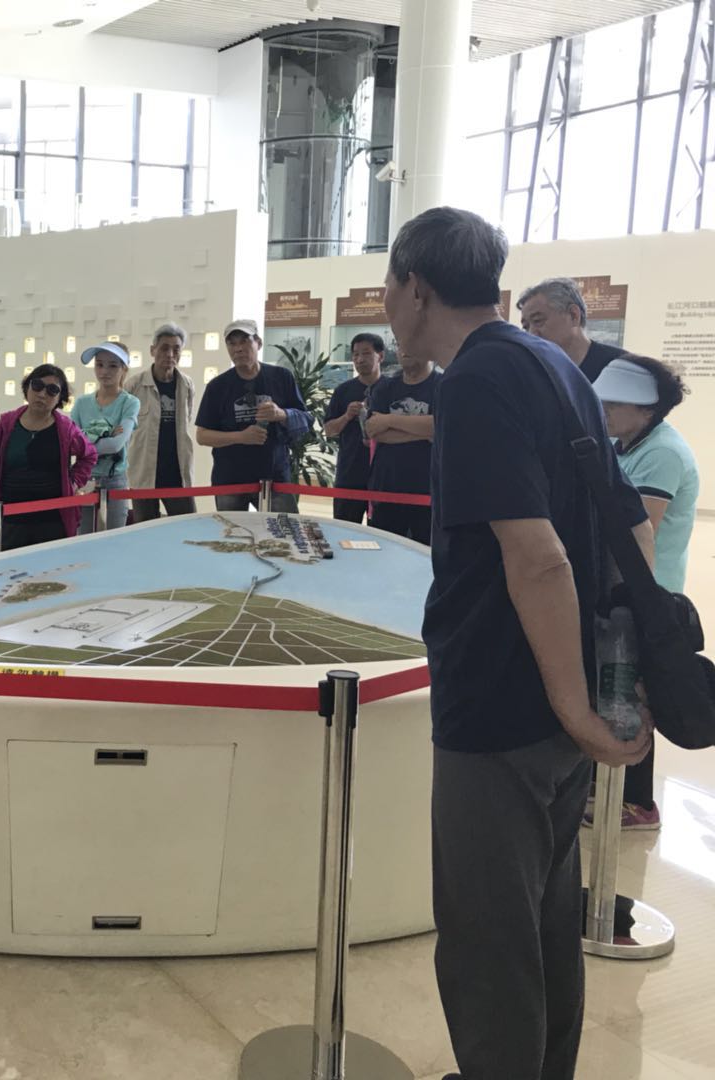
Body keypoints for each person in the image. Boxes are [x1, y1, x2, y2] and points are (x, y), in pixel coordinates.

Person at [386, 207, 652, 1080]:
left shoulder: (474, 381)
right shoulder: (555, 365)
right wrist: (610, 682)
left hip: (500, 701)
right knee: (546, 920)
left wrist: (575, 707)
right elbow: (628, 524)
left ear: (416, 287)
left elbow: (536, 556)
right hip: (556, 695)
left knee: (487, 938)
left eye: (389, 287)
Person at [590, 356, 700, 832]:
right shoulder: (624, 445)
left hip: (647, 593)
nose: (605, 411)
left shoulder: (663, 453)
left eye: (615, 404)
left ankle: (637, 803)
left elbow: (640, 530)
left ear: (648, 409)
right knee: (614, 686)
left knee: (633, 693)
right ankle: (605, 786)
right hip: (621, 589)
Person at [0, 364, 97, 551]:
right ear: (27, 388)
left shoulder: (66, 428)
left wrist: (73, 482)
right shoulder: (6, 424)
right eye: (37, 385)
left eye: (52, 390)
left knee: (54, 569)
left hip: (53, 521)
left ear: (60, 398)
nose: (42, 394)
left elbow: (89, 455)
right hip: (9, 520)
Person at [195, 319, 311, 513]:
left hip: (275, 477)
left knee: (283, 529)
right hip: (230, 479)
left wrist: (281, 414)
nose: (238, 349)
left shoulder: (282, 377)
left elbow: (306, 419)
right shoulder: (217, 386)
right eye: (232, 343)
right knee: (233, 531)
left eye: (244, 341)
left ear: (259, 343)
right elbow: (202, 436)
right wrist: (241, 437)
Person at [364, 345, 439, 545]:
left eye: (411, 343)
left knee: (425, 554)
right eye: (399, 345)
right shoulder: (384, 387)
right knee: (383, 551)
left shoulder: (443, 385)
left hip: (430, 489)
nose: (404, 349)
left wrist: (389, 420)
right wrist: (424, 432)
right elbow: (375, 431)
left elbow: (441, 426)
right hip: (387, 486)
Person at [126, 323, 196, 524]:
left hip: (177, 472)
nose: (170, 354)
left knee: (186, 527)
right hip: (144, 471)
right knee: (144, 529)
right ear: (153, 350)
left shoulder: (186, 384)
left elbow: (187, 421)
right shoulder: (135, 385)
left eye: (176, 349)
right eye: (164, 348)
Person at [71, 341, 140, 532]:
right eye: (99, 364)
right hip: (84, 479)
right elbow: (71, 445)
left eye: (113, 365)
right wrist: (107, 435)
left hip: (115, 480)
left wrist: (86, 438)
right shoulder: (82, 403)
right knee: (82, 540)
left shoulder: (130, 403)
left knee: (113, 540)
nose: (104, 371)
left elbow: (115, 445)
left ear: (124, 369)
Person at [323, 333, 384, 525]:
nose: (360, 359)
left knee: (382, 534)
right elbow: (329, 430)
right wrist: (347, 416)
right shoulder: (343, 391)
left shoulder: (392, 389)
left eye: (366, 353)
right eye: (356, 354)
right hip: (350, 473)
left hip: (383, 475)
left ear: (380, 356)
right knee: (345, 530)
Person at [517, 277, 625, 383]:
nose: (531, 334)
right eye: (526, 327)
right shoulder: (532, 375)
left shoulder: (621, 369)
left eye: (538, 320)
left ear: (574, 315)